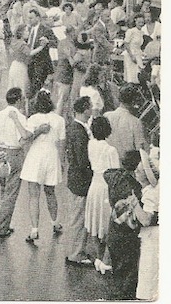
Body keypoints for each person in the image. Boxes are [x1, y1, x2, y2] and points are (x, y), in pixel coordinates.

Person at [0, 87, 50, 238]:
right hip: (14, 154)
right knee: (11, 193)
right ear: (20, 99)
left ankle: (3, 223)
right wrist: (39, 130)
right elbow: (24, 139)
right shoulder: (19, 117)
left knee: (3, 190)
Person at [19, 90, 66, 242]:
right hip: (51, 156)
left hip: (35, 157)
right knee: (50, 192)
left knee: (34, 195)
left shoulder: (33, 119)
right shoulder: (59, 120)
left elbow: (27, 139)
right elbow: (62, 143)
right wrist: (62, 161)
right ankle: (55, 223)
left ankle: (34, 230)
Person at [103, 150, 144, 300]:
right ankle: (125, 295)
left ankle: (118, 292)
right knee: (129, 266)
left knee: (117, 264)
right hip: (128, 233)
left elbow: (106, 173)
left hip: (114, 229)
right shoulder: (135, 187)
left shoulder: (114, 176)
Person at [85, 115, 121, 274]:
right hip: (106, 187)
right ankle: (106, 260)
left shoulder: (90, 144)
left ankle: (99, 257)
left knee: (94, 221)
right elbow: (116, 172)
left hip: (94, 185)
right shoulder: (111, 150)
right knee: (108, 224)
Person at [65, 97, 95, 266]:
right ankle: (76, 253)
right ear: (85, 110)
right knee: (78, 218)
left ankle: (73, 250)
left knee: (75, 217)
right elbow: (83, 160)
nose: (92, 109)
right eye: (90, 107)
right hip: (81, 181)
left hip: (75, 179)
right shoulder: (80, 131)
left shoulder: (74, 127)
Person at [135, 147, 159, 300]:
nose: (136, 172)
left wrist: (134, 205)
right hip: (153, 235)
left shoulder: (150, 192)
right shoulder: (149, 190)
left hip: (152, 236)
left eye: (139, 170)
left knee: (148, 271)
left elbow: (146, 220)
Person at [103, 84, 148, 159]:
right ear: (134, 102)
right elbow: (140, 150)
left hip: (108, 163)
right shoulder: (135, 122)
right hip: (127, 165)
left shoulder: (106, 116)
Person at [25, 8, 57, 98]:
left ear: (38, 18)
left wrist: (48, 41)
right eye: (28, 18)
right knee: (30, 85)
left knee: (35, 87)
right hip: (30, 62)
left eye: (31, 18)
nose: (29, 20)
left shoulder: (45, 30)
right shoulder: (28, 29)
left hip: (41, 63)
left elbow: (56, 42)